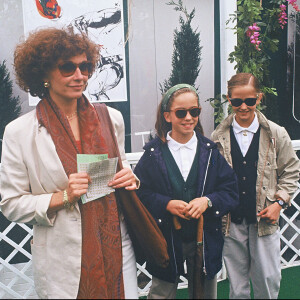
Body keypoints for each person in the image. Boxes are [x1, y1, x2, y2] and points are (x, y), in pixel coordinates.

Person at [0, 27, 139, 299]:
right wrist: (63, 196)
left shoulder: (111, 118)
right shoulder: (20, 132)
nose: (79, 76)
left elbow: (122, 167)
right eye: (67, 67)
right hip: (64, 261)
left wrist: (131, 178)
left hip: (116, 248)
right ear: (43, 74)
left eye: (85, 67)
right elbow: (10, 203)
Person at [134, 84, 239, 299]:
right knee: (161, 293)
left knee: (204, 294)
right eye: (181, 112)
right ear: (167, 116)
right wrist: (166, 204)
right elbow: (140, 194)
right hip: (165, 240)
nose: (189, 117)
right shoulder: (153, 154)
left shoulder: (210, 152)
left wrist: (207, 201)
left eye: (195, 111)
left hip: (204, 239)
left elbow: (230, 191)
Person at [211, 73, 300, 299]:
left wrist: (279, 203)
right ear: (228, 100)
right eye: (237, 101)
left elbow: (291, 171)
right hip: (231, 222)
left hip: (264, 220)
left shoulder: (275, 133)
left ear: (258, 98)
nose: (243, 107)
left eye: (249, 101)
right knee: (237, 286)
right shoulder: (217, 137)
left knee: (268, 281)